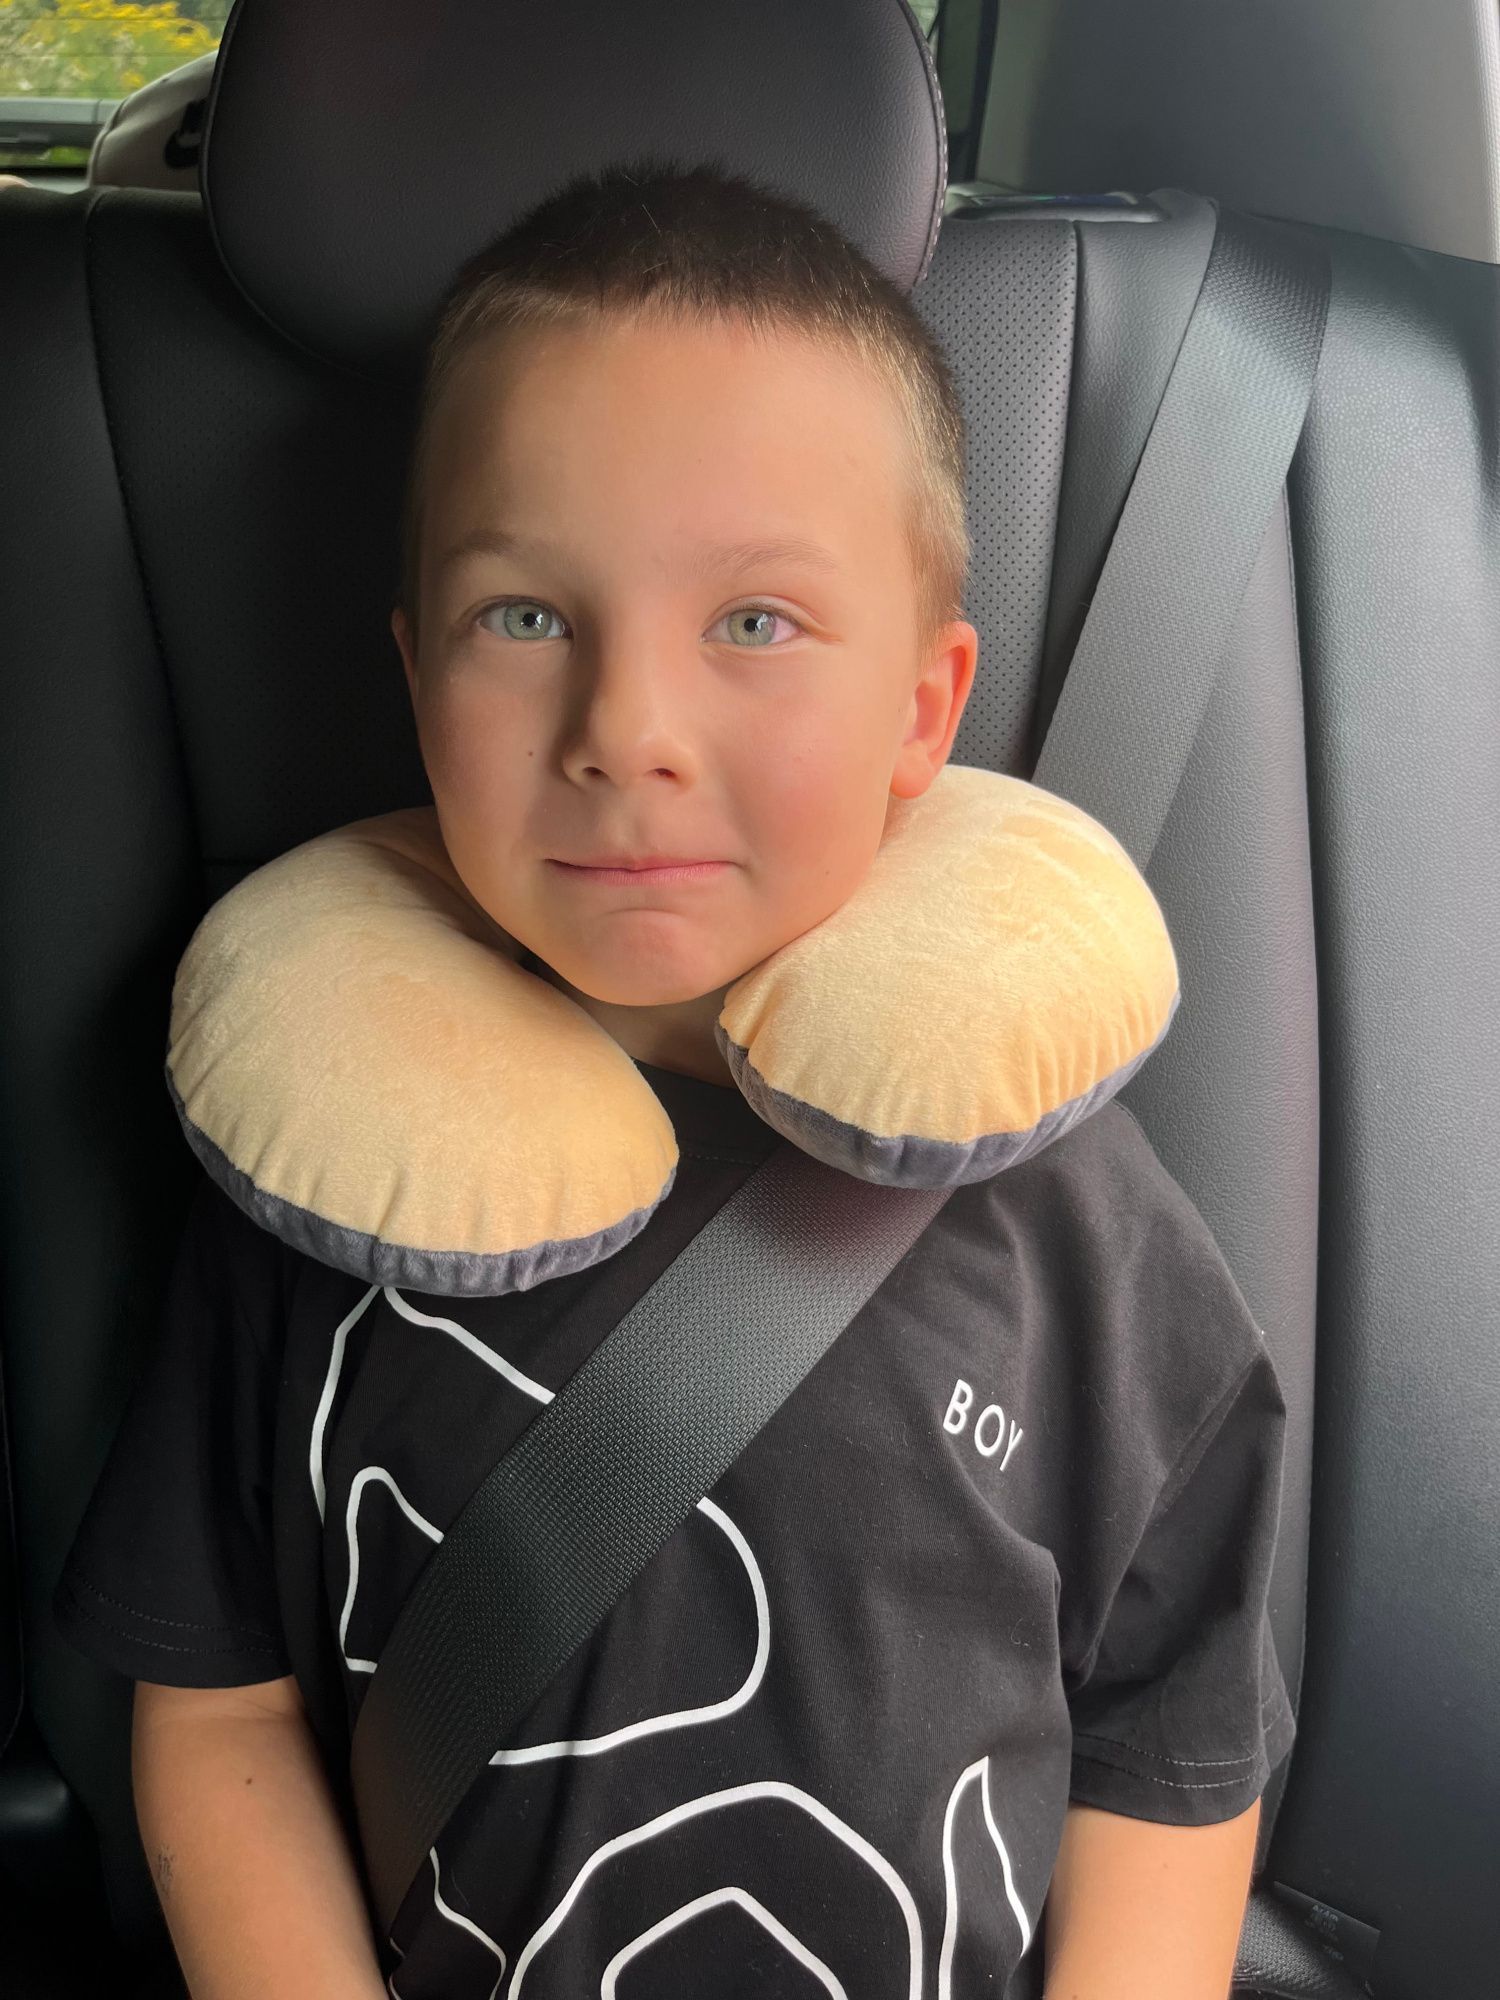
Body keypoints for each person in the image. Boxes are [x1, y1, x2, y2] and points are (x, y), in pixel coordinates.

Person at [53, 159, 1296, 1998]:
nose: (625, 730)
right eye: (523, 618)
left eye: (755, 624)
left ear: (923, 711)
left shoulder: (1077, 1227)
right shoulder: (317, 1186)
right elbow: (216, 1706)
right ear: (415, 679)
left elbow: (1169, 1742)